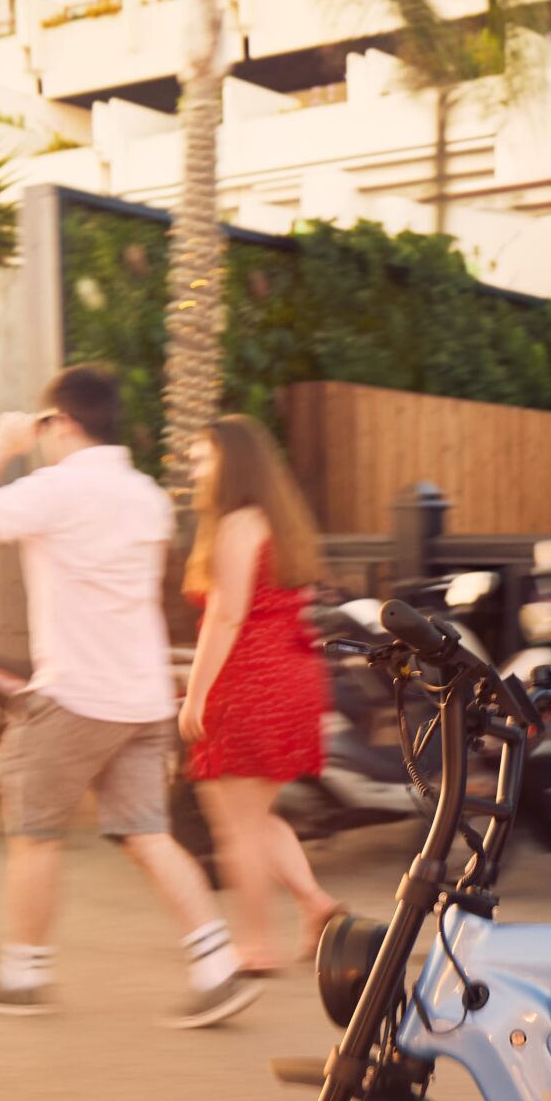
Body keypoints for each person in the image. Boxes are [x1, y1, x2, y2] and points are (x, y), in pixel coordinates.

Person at [0, 365, 261, 1028]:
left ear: (59, 423)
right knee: (148, 835)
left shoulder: (56, 488)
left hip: (73, 695)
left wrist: (1, 446)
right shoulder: (144, 495)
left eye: (46, 424)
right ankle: (217, 968)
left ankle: (23, 976)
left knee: (34, 835)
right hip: (140, 700)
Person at [178, 415, 343, 973]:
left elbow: (224, 619)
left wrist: (194, 696)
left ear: (232, 464)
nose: (195, 468)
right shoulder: (277, 521)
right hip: (292, 673)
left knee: (235, 825)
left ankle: (257, 945)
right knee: (256, 815)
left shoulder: (236, 524)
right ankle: (314, 903)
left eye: (203, 458)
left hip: (250, 679)